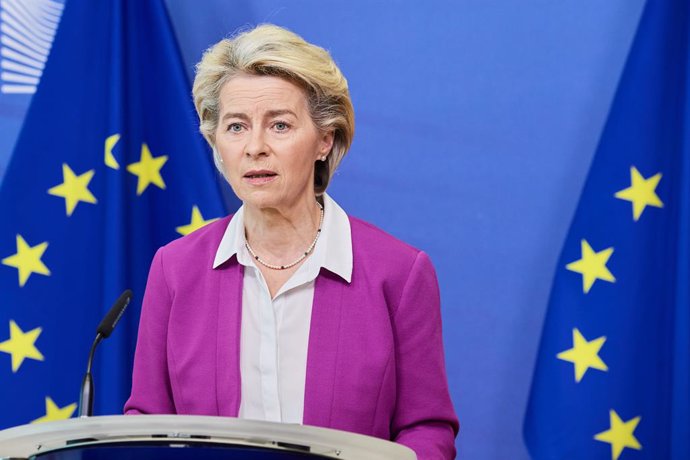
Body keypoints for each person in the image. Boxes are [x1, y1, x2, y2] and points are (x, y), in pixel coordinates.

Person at [124, 24, 459, 459]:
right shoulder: (176, 268)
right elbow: (148, 422)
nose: (255, 147)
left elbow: (425, 428)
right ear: (215, 141)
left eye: (279, 125)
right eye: (236, 127)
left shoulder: (398, 273)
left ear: (325, 138)